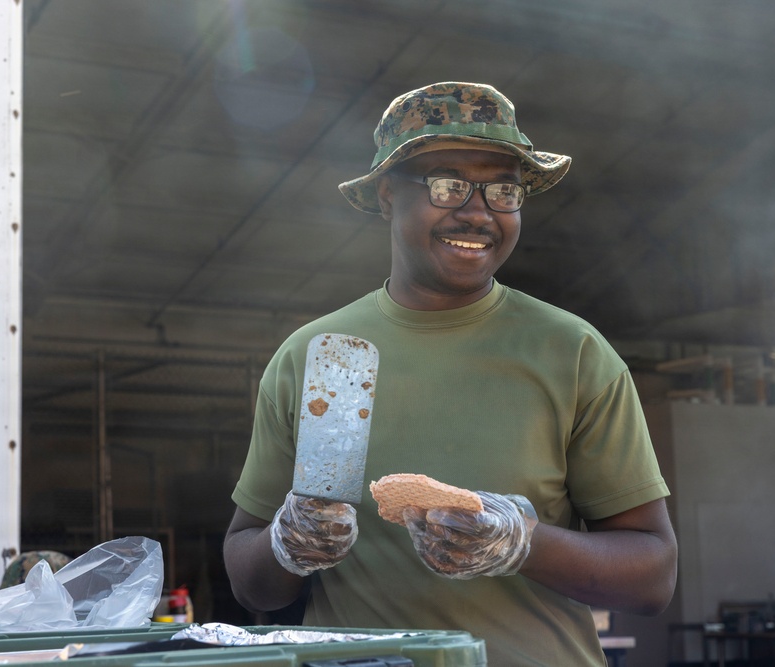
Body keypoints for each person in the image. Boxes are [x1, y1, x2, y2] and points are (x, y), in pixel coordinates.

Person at [223, 81, 678, 665]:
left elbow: (653, 577)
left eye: (504, 190)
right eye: (448, 185)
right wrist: (288, 546)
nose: (478, 211)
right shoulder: (319, 355)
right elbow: (249, 581)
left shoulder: (574, 353)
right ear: (388, 195)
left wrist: (519, 542)